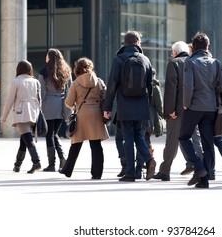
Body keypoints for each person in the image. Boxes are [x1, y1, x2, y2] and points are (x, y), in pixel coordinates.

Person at [103, 30, 156, 182]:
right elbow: (150, 86)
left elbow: (112, 84)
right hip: (141, 104)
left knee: (128, 137)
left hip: (125, 105)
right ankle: (148, 159)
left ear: (125, 43)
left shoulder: (119, 59)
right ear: (137, 43)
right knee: (139, 134)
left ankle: (130, 172)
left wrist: (107, 108)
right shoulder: (145, 59)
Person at [178, 32, 222, 188]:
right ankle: (204, 181)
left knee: (183, 137)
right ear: (207, 46)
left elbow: (188, 87)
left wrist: (186, 103)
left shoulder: (190, 62)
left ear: (194, 47)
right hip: (211, 108)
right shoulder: (216, 63)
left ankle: (198, 167)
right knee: (208, 143)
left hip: (194, 106)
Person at [59, 57, 109, 179]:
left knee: (76, 144)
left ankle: (67, 170)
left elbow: (69, 103)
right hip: (96, 114)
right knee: (96, 144)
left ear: (77, 69)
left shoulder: (75, 83)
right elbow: (105, 95)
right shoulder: (98, 81)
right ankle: (97, 173)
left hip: (81, 115)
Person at [0, 60, 42, 173]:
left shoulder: (16, 81)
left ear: (18, 69)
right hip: (34, 113)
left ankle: (36, 162)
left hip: (21, 113)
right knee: (24, 140)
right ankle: (17, 165)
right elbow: (40, 100)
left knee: (28, 140)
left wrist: (3, 117)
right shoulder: (36, 81)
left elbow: (9, 101)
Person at [38, 48, 72, 172]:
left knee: (49, 134)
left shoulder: (44, 71)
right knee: (54, 133)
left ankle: (52, 163)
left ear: (49, 57)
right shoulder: (66, 71)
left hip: (48, 105)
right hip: (62, 105)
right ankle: (62, 158)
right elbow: (70, 90)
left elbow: (41, 91)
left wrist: (39, 106)